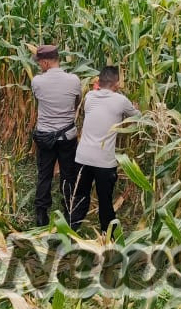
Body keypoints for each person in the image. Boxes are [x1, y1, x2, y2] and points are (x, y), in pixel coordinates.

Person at [70, 66, 140, 232]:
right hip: (104, 162)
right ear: (116, 84)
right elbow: (139, 117)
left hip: (82, 158)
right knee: (105, 201)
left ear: (99, 82)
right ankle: (107, 236)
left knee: (80, 198)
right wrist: (135, 107)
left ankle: (70, 232)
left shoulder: (89, 96)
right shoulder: (121, 100)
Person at [30, 44, 82, 227]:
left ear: (45, 62)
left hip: (45, 136)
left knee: (44, 175)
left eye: (40, 63)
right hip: (67, 136)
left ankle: (41, 216)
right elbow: (76, 103)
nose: (39, 66)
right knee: (69, 175)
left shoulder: (37, 81)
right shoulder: (74, 80)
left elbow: (39, 100)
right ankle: (70, 214)